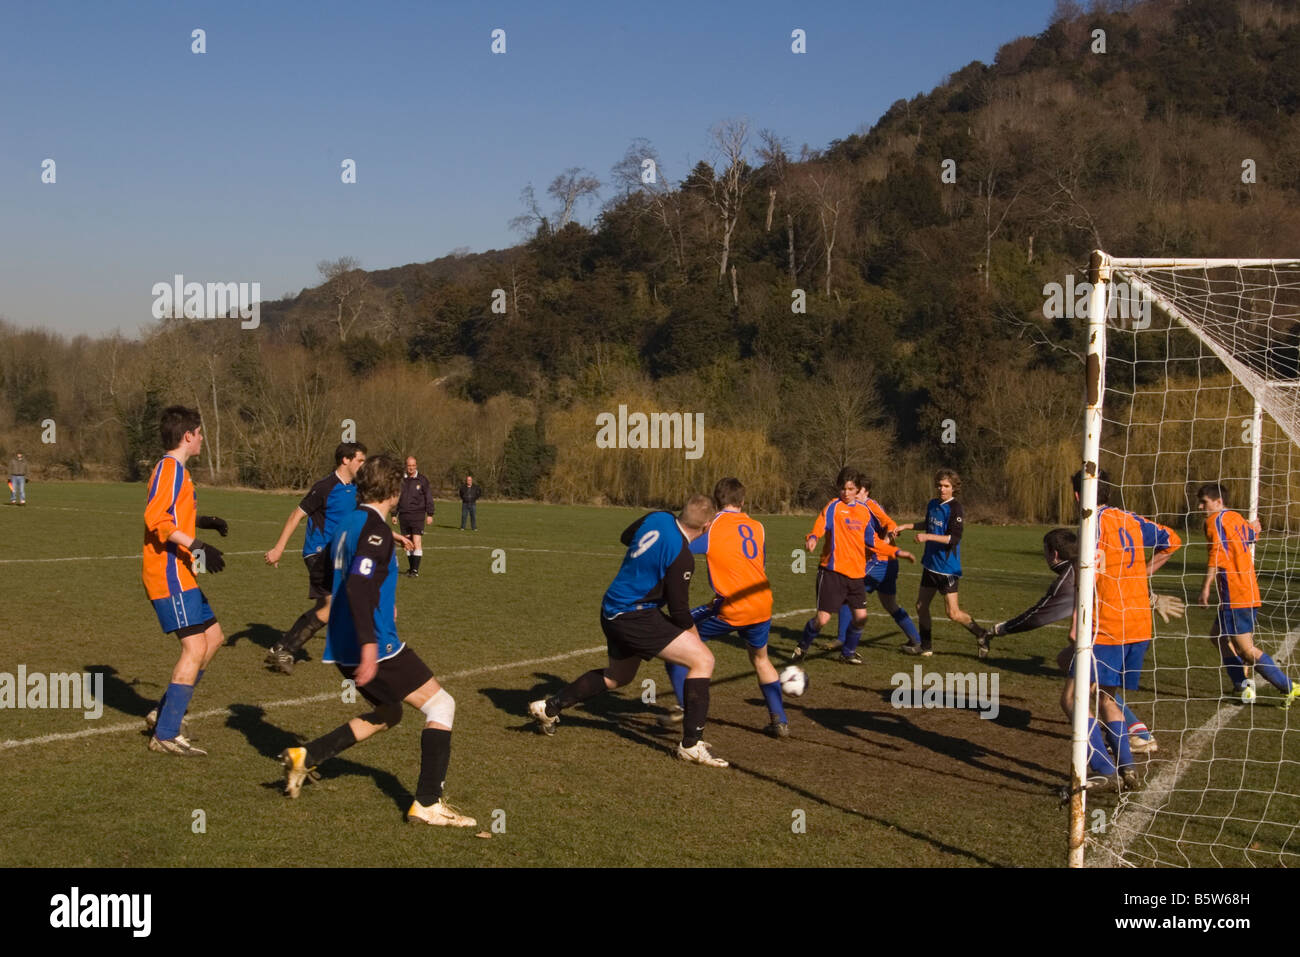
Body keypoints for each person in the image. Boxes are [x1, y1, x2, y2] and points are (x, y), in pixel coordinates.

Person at [279, 455, 476, 826]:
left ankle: (307, 755)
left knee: (390, 713)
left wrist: (385, 595)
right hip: (374, 645)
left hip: (341, 644)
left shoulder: (348, 522)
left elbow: (328, 570)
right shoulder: (374, 530)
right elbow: (357, 586)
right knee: (442, 707)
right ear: (393, 489)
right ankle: (428, 803)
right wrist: (370, 646)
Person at [529, 495, 729, 767]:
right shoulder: (682, 557)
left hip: (612, 607)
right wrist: (695, 637)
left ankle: (550, 707)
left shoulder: (658, 517)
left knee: (617, 677)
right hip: (635, 615)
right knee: (703, 660)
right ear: (706, 526)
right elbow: (679, 611)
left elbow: (627, 536)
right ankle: (691, 745)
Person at [980, 527, 1163, 754]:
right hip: (1129, 629)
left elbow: (1037, 616)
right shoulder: (1095, 556)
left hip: (1106, 634)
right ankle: (1135, 731)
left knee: (1078, 694)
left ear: (1054, 554)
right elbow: (1121, 578)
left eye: (1045, 552)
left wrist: (1000, 629)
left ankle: (1123, 743)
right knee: (1069, 662)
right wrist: (1151, 598)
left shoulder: (1070, 577)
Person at [1063, 469, 1182, 790]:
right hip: (1139, 624)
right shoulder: (1131, 519)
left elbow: (1089, 580)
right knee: (1107, 697)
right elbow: (1172, 541)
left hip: (1108, 625)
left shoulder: (1092, 525)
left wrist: (1077, 625)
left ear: (1078, 495)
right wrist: (1143, 574)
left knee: (1073, 699)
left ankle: (1104, 768)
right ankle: (1127, 769)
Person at [661, 478, 790, 738]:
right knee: (761, 659)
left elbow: (682, 544)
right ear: (742, 501)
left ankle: (686, 707)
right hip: (762, 603)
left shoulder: (713, 526)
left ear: (716, 501)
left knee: (675, 642)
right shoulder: (757, 526)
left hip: (732, 607)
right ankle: (780, 720)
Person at [142, 406, 229, 756]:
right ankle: (165, 733)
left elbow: (176, 514)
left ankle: (163, 713)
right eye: (200, 432)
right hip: (167, 573)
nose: (202, 439)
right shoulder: (168, 468)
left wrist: (203, 522)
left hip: (181, 571)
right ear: (188, 435)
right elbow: (156, 519)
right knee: (194, 647)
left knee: (213, 638)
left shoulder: (179, 472)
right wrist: (198, 544)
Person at [262, 442, 368, 674]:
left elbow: (361, 521)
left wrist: (391, 535)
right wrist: (279, 548)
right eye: (360, 460)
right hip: (319, 553)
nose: (363, 464)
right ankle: (286, 650)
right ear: (346, 460)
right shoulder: (325, 487)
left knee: (326, 606)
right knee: (334, 606)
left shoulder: (357, 489)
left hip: (338, 555)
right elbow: (295, 516)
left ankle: (281, 647)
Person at [1197, 483, 1298, 707]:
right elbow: (1250, 535)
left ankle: (1288, 686)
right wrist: (1254, 528)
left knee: (1245, 649)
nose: (1200, 506)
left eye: (1204, 501)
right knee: (1217, 636)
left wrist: (1206, 586)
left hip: (1235, 593)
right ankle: (1241, 684)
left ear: (1218, 502)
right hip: (1248, 589)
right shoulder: (1235, 517)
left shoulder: (1213, 521)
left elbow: (1217, 555)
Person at [895, 469, 985, 656]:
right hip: (930, 565)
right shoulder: (933, 504)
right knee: (921, 606)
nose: (942, 489)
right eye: (939, 485)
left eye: (946, 486)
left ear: (954, 488)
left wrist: (927, 537)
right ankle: (926, 647)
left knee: (953, 613)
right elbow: (927, 524)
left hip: (947, 568)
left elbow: (953, 539)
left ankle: (981, 634)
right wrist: (906, 526)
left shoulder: (955, 508)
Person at [831, 476, 920, 663]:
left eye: (858, 491)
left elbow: (891, 524)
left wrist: (884, 542)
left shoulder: (870, 506)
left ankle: (842, 641)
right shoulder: (855, 509)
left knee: (848, 596)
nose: (854, 494)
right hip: (888, 562)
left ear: (866, 492)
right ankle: (917, 641)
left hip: (880, 562)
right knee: (889, 603)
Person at [790, 468, 873, 662]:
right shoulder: (833, 507)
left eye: (850, 489)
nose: (845, 492)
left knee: (861, 617)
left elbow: (871, 539)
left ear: (858, 490)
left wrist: (889, 549)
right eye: (842, 488)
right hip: (832, 572)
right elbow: (820, 525)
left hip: (856, 575)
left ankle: (848, 653)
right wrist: (812, 538)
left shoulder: (863, 511)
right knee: (822, 619)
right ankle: (803, 646)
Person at [394, 456, 435, 577]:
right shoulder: (401, 480)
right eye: (409, 466)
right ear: (406, 466)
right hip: (404, 515)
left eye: (413, 465)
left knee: (417, 541)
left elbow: (428, 497)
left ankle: (415, 571)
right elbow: (396, 497)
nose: (411, 468)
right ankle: (411, 568)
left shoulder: (422, 480)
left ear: (416, 466)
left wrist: (430, 514)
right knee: (407, 542)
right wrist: (394, 513)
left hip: (417, 515)